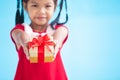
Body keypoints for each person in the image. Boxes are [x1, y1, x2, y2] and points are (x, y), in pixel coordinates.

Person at [10, 0, 69, 80]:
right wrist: (25, 42)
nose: (41, 11)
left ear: (55, 6)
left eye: (47, 6)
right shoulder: (21, 30)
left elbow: (61, 34)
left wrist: (55, 42)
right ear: (25, 5)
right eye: (35, 5)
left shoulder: (57, 30)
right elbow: (18, 35)